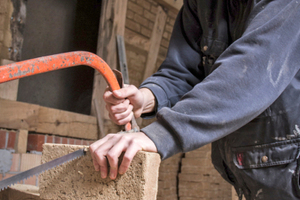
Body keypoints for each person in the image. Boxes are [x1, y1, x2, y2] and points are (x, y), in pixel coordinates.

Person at [90, 0, 300, 199]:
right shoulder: (201, 4)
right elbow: (184, 71)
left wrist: (160, 134)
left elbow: (254, 68)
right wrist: (147, 97)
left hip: (291, 169)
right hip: (253, 173)